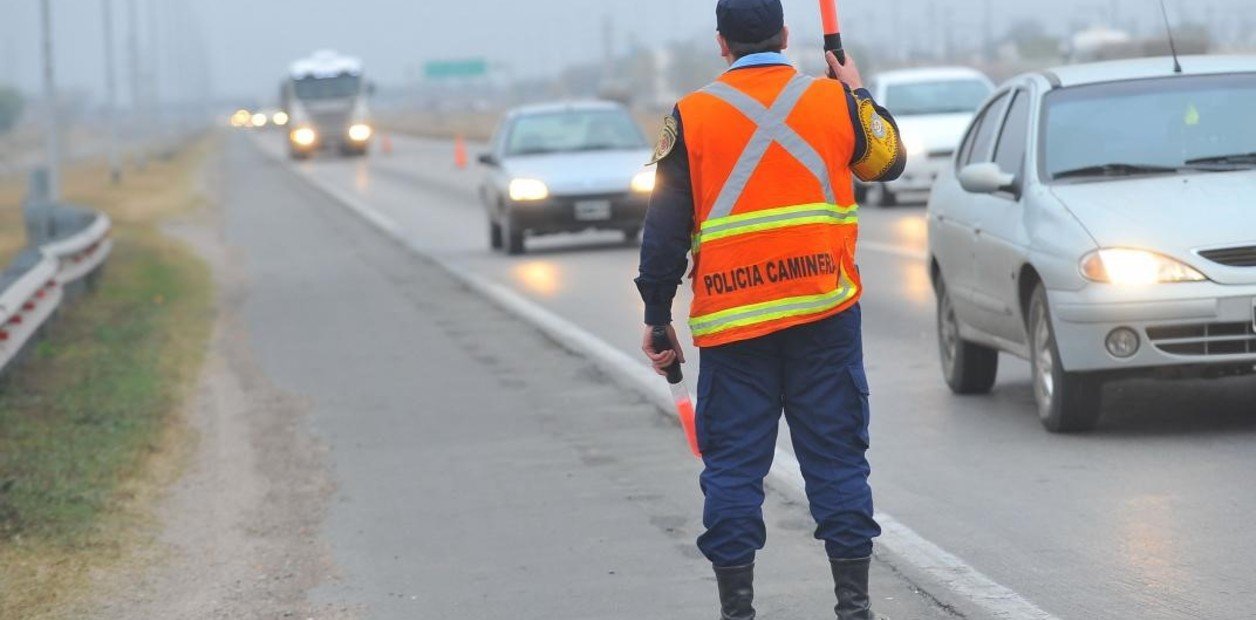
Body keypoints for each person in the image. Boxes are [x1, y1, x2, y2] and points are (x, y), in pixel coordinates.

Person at [635, 0, 905, 618]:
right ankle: (855, 608)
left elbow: (664, 232)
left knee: (732, 471)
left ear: (721, 43)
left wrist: (656, 315)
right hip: (823, 314)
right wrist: (857, 92)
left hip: (734, 326)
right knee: (837, 463)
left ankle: (738, 611)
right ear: (785, 35)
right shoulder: (833, 101)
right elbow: (888, 162)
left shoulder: (691, 115)